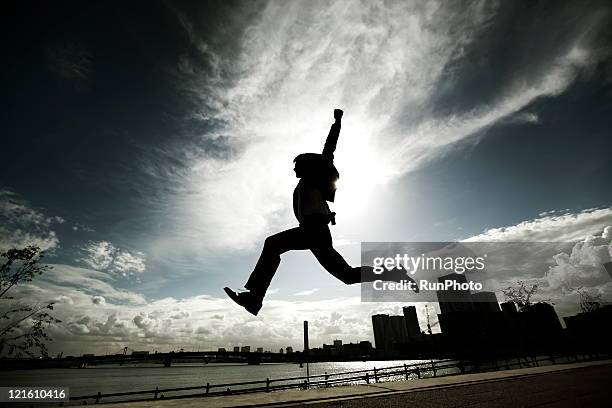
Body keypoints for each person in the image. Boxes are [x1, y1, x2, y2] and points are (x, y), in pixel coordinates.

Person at [224, 109, 405, 315]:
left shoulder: (315, 178)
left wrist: (337, 122)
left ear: (305, 166)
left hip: (315, 230)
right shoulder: (301, 186)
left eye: (296, 166)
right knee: (347, 276)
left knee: (272, 244)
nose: (293, 170)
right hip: (314, 233)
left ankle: (255, 298)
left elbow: (330, 148)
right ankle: (391, 273)